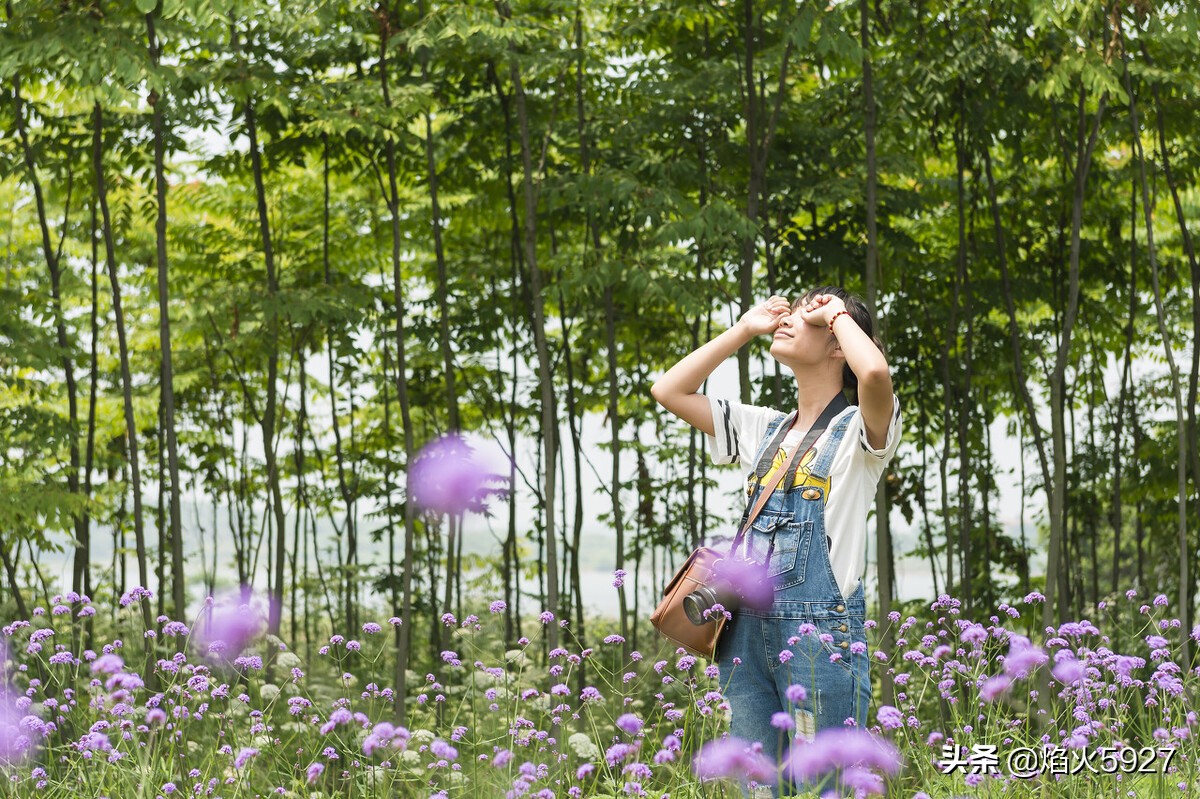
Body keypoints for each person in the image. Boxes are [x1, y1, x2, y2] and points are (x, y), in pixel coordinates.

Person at [650, 287, 901, 794]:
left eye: (810, 313)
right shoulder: (764, 428)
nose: (790, 317)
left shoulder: (861, 434)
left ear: (837, 343)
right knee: (757, 788)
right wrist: (746, 328)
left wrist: (836, 315)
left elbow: (873, 375)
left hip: (819, 635)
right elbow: (669, 390)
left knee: (820, 786)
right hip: (742, 630)